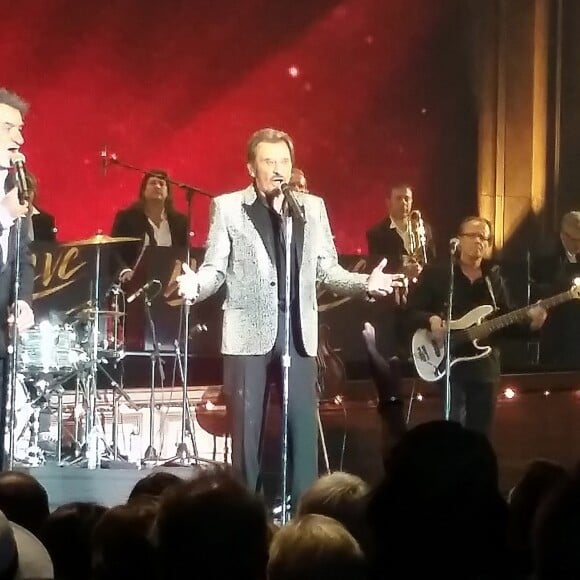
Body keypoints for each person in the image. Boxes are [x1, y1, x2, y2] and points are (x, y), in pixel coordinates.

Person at [177, 127, 402, 506]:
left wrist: (366, 283)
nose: (278, 169)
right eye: (269, 161)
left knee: (302, 432)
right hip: (247, 333)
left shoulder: (310, 208)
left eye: (284, 161)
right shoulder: (229, 207)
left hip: (298, 332)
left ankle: (307, 514)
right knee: (246, 437)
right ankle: (245, 515)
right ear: (252, 167)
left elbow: (327, 270)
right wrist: (195, 285)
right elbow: (215, 268)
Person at [406, 216, 547, 437]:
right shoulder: (440, 274)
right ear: (458, 240)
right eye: (473, 235)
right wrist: (430, 319)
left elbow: (504, 323)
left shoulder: (494, 278)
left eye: (484, 238)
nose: (479, 241)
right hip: (450, 366)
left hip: (484, 369)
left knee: (480, 435)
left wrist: (531, 325)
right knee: (452, 432)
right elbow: (409, 312)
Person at [0, 88, 36, 467]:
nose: (19, 139)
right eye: (9, 128)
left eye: (20, 129)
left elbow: (23, 259)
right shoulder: (8, 203)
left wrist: (23, 300)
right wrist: (3, 217)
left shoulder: (15, 186)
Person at [110, 169, 189, 283]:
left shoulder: (180, 222)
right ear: (143, 190)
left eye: (162, 184)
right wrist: (124, 271)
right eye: (153, 183)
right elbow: (113, 251)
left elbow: (184, 252)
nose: (157, 186)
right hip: (135, 281)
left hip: (169, 281)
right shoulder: (127, 217)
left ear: (168, 192)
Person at [531, 210, 580, 369]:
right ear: (563, 235)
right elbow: (539, 292)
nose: (577, 245)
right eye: (573, 239)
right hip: (556, 328)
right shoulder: (545, 258)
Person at [366, 184, 435, 278]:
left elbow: (433, 261)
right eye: (398, 198)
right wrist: (402, 270)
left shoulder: (425, 229)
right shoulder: (377, 233)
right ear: (388, 202)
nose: (404, 202)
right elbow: (376, 268)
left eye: (407, 198)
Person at [24, 172, 56, 242]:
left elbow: (50, 248)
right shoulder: (9, 220)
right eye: (22, 190)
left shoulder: (46, 220)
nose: (26, 194)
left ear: (34, 191)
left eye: (29, 189)